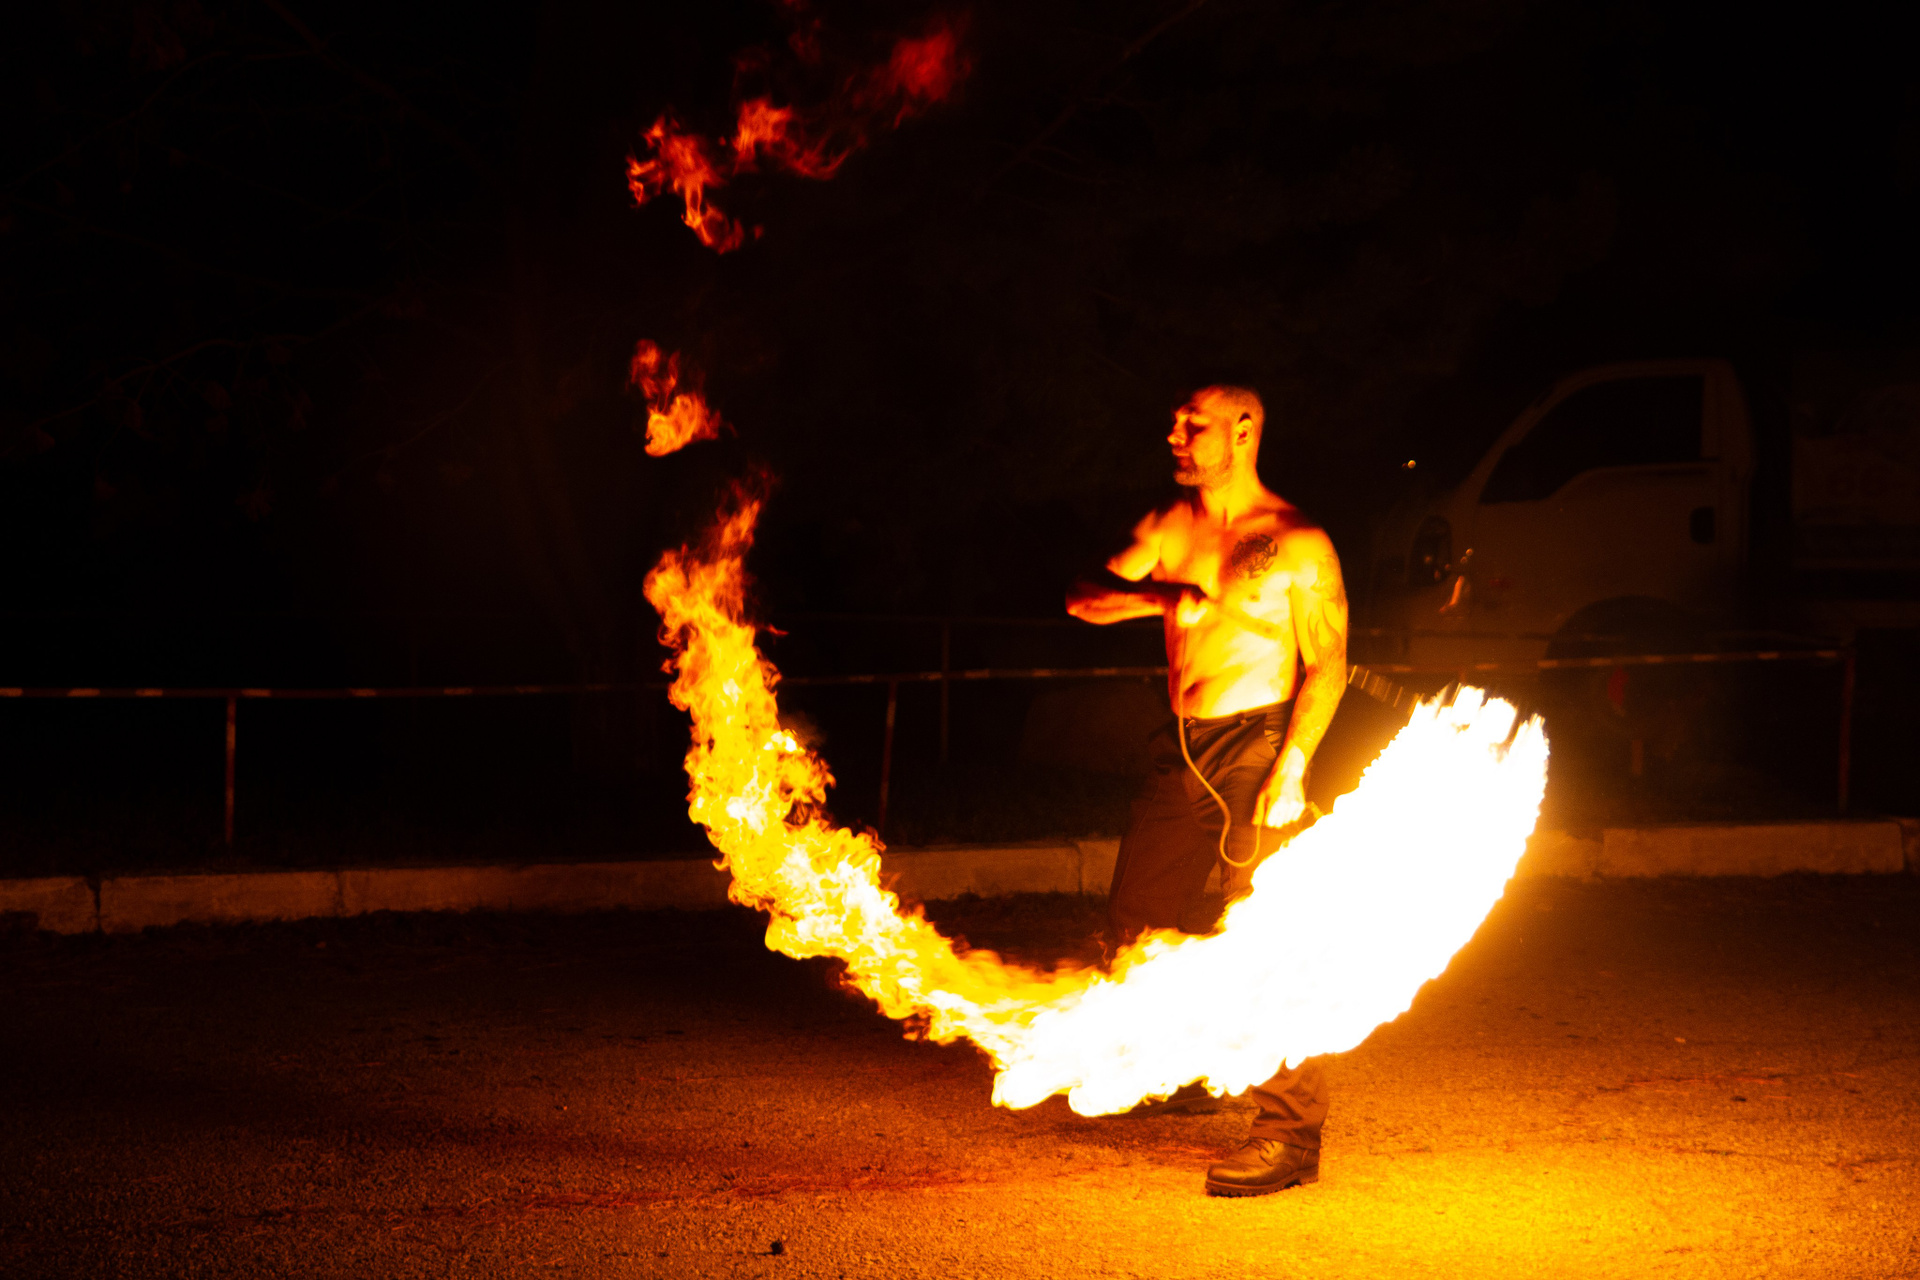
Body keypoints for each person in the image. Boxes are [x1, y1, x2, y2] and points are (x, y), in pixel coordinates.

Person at [1066, 383, 1348, 1197]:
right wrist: (1160, 594)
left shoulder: (1296, 540)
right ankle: (1186, 1065)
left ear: (1245, 430)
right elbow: (1083, 598)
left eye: (1193, 426)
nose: (1175, 436)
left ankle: (1290, 1133)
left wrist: (1293, 766)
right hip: (1179, 746)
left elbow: (1327, 664)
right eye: (1174, 424)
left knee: (1264, 935)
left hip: (1257, 746)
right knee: (1138, 915)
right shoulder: (1169, 525)